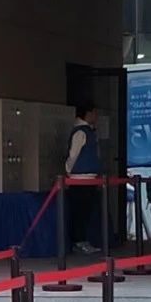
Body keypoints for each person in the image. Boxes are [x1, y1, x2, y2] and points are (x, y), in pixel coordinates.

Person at [64, 103, 101, 254]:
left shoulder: (89, 131)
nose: (96, 116)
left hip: (89, 178)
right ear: (88, 113)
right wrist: (69, 170)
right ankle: (78, 241)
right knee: (80, 212)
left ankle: (82, 240)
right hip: (79, 178)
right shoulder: (81, 132)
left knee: (86, 212)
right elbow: (73, 154)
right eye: (94, 113)